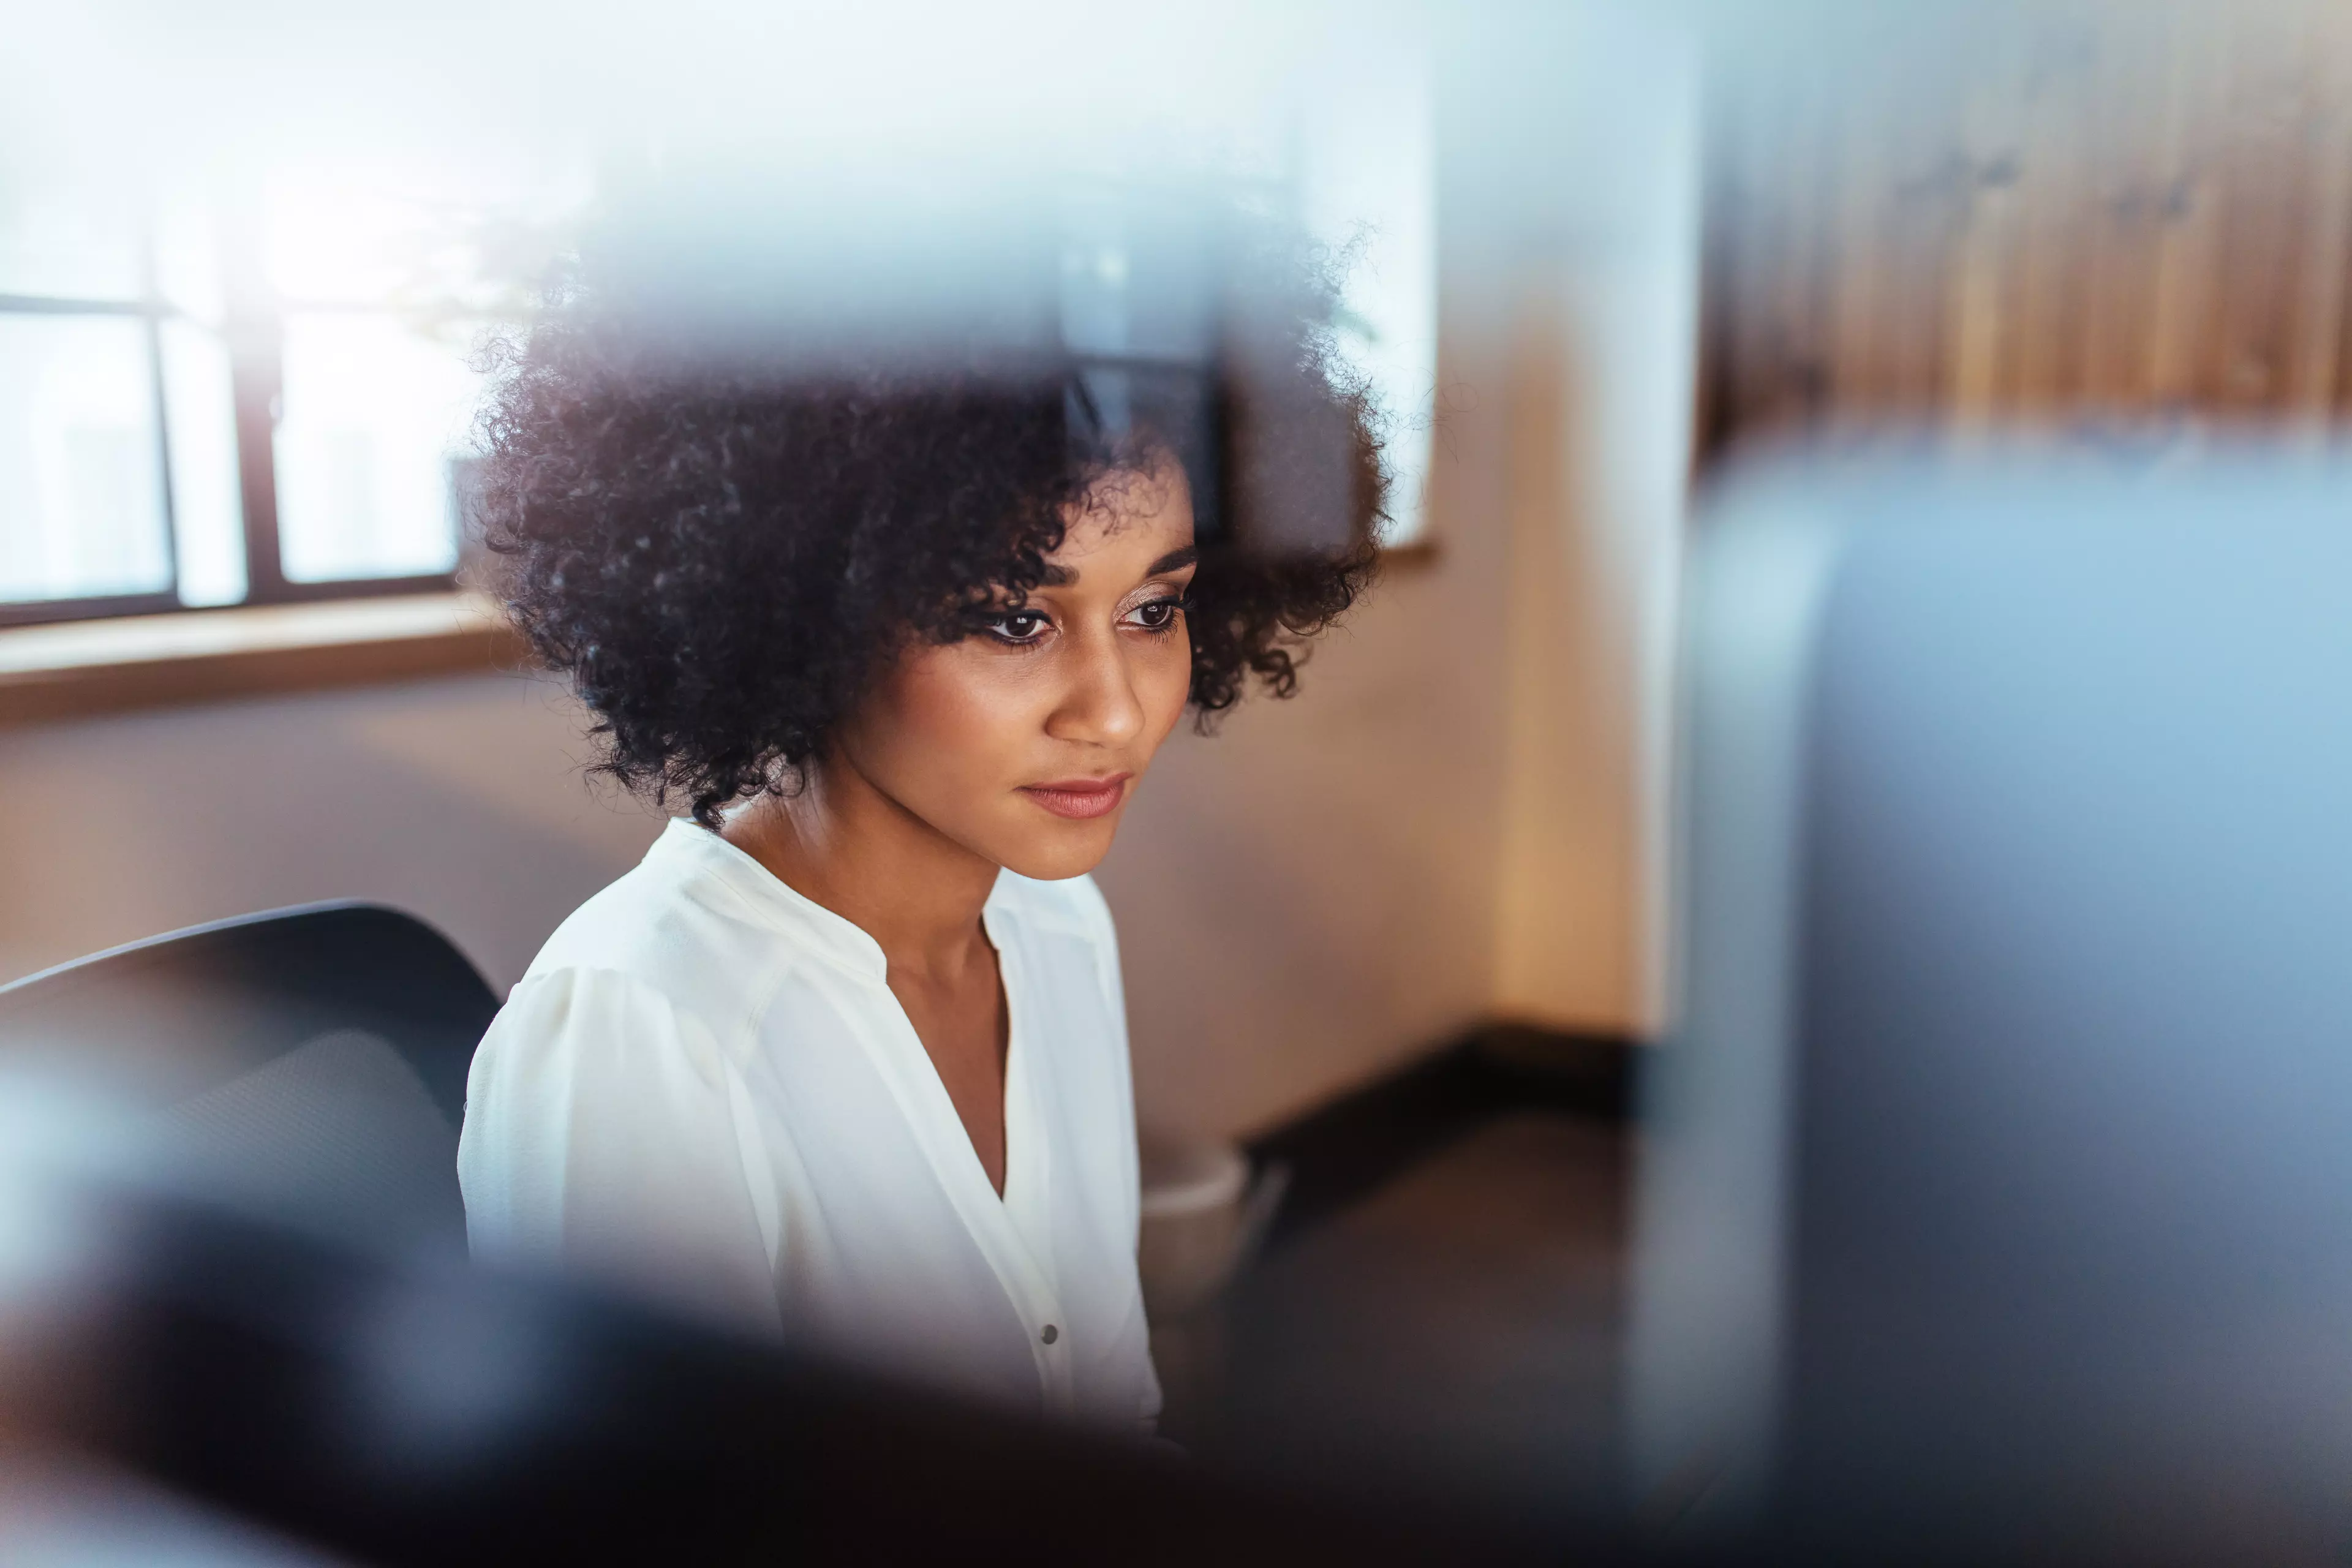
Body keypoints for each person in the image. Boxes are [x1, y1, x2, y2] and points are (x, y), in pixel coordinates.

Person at [455, 195, 1384, 1434]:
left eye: (1155, 608)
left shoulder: (1057, 922)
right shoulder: (648, 1031)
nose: (1114, 712)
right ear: (804, 609)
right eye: (1014, 618)